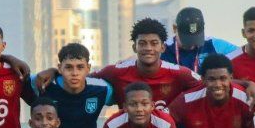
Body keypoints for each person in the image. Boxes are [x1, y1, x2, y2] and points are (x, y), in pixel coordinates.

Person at [38, 18, 203, 111]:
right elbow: (81, 77)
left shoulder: (179, 73)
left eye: (154, 43)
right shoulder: (116, 71)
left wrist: (177, 108)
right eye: (142, 43)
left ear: (162, 47)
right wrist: (54, 71)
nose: (148, 48)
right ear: (134, 47)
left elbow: (205, 87)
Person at [33, 42, 112, 128]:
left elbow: (126, 101)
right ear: (60, 68)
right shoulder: (44, 84)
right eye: (68, 67)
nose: (75, 73)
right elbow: (19, 80)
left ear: (88, 68)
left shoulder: (101, 89)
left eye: (80, 67)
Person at [162, 6, 239, 72]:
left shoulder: (214, 44)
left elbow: (243, 55)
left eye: (196, 38)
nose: (192, 44)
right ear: (175, 28)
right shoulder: (164, 49)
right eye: (186, 39)